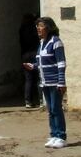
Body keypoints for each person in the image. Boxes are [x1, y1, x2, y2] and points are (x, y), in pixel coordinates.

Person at [23, 16, 67, 148]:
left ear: (48, 28)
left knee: (56, 108)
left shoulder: (56, 42)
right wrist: (33, 66)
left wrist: (61, 82)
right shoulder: (42, 43)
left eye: (41, 26)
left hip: (55, 82)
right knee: (50, 109)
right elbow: (41, 62)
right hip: (45, 82)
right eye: (37, 26)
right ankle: (53, 134)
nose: (38, 28)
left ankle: (61, 136)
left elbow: (61, 63)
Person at [19, 13, 39, 108]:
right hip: (34, 53)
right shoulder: (35, 29)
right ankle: (41, 99)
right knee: (39, 77)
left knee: (28, 79)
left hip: (25, 55)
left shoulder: (22, 29)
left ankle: (28, 101)